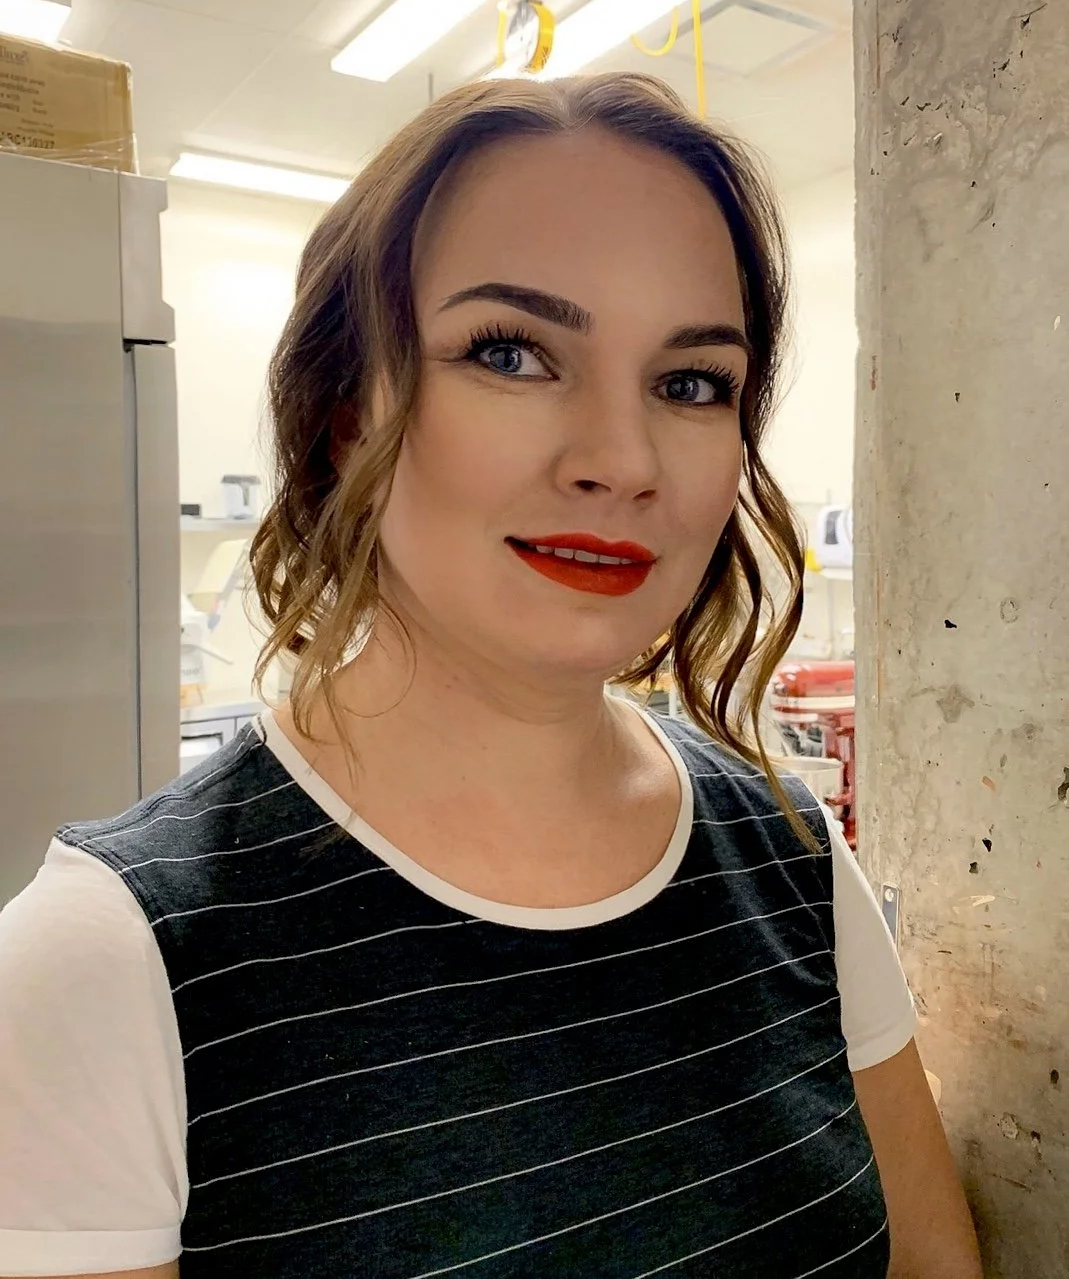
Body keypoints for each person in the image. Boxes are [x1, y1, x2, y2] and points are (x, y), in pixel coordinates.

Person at [0, 73, 981, 1278]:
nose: (621, 459)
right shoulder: (106, 958)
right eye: (512, 353)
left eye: (689, 382)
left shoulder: (786, 848)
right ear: (346, 415)